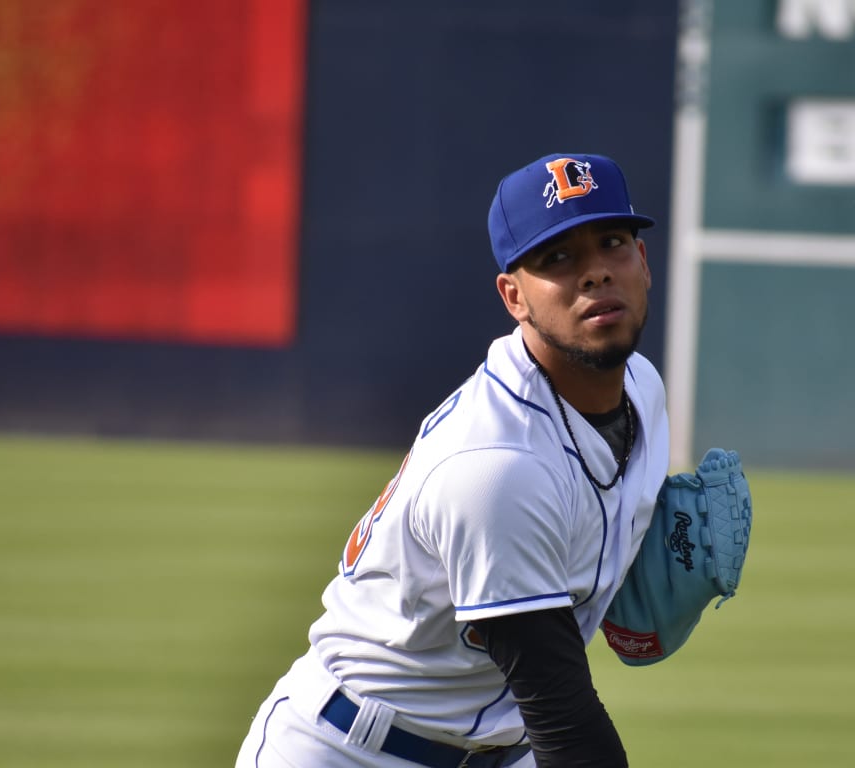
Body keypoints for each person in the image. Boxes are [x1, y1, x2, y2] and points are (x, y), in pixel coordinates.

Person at [235, 153, 667, 768]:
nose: (596, 272)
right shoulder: (496, 468)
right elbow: (563, 719)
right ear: (514, 297)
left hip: (497, 746)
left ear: (643, 263)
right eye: (559, 258)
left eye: (614, 243)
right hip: (354, 750)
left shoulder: (644, 392)